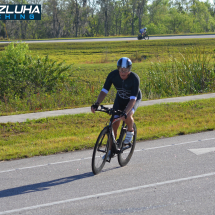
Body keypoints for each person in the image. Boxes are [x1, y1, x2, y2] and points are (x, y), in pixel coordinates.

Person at [91, 57, 142, 160]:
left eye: (126, 70)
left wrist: (125, 112)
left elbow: (132, 100)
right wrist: (97, 104)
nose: (123, 72)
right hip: (120, 99)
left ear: (129, 70)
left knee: (126, 115)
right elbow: (104, 91)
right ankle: (110, 151)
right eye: (121, 70)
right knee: (114, 124)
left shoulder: (134, 78)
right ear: (118, 69)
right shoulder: (113, 75)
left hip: (133, 99)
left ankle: (130, 131)